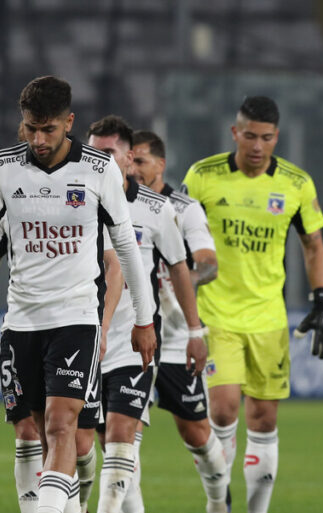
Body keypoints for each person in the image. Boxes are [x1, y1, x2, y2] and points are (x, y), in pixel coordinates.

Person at [0, 76, 156, 513]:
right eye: (30, 128)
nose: (38, 139)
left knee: (61, 424)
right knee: (31, 433)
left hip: (76, 318)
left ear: (69, 123)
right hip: (22, 320)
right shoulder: (3, 166)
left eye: (48, 129)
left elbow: (125, 248)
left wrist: (143, 319)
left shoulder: (98, 169)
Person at [181, 96, 323, 513]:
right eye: (248, 135)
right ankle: (219, 503)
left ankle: (256, 509)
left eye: (265, 138)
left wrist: (322, 301)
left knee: (264, 421)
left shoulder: (295, 184)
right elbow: (176, 237)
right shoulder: (202, 177)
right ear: (235, 133)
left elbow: (313, 245)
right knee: (224, 406)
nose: (256, 146)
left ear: (276, 138)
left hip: (269, 318)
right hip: (216, 315)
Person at [86, 116, 208, 513]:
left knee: (123, 436)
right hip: (82, 338)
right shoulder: (77, 199)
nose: (98, 159)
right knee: (99, 447)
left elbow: (178, 268)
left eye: (107, 152)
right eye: (93, 151)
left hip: (135, 341)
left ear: (129, 156)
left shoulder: (157, 209)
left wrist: (194, 330)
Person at [0, 215, 123, 513]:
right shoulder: (7, 190)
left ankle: (77, 504)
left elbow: (115, 264)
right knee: (30, 431)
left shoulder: (83, 190)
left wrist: (102, 327)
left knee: (78, 443)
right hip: (20, 331)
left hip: (75, 330)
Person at [131, 130, 228, 513]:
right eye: (130, 160)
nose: (134, 168)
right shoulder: (115, 203)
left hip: (173, 339)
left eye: (141, 161)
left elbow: (207, 261)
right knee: (125, 436)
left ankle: (219, 501)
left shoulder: (183, 208)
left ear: (160, 164)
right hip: (132, 338)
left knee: (198, 435)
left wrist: (180, 279)